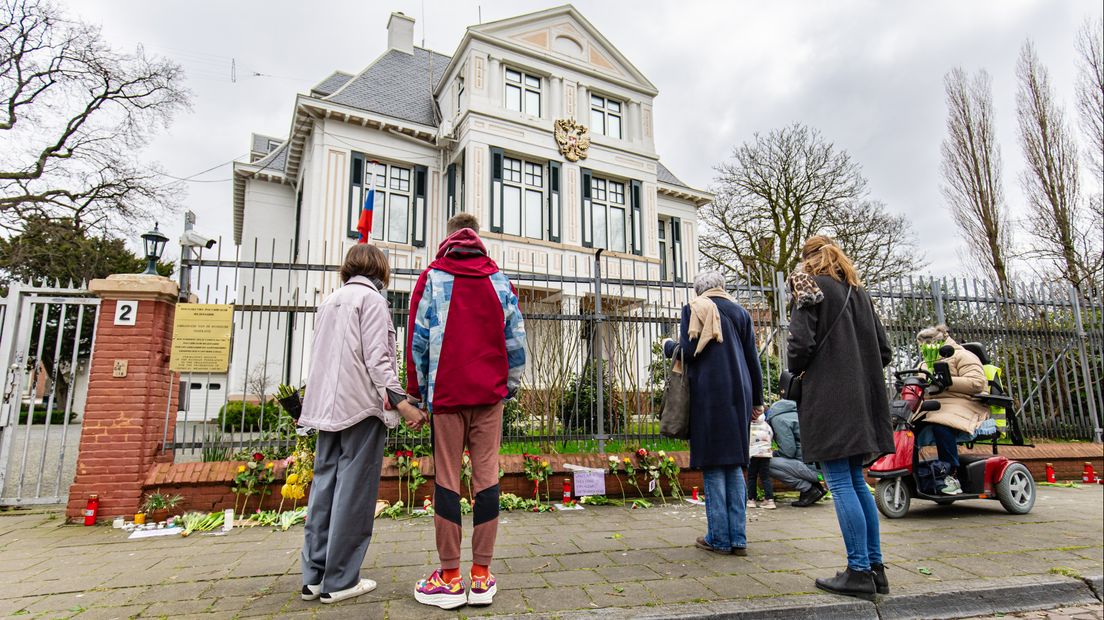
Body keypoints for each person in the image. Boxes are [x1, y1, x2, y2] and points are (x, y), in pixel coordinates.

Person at [407, 213, 527, 610]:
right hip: (488, 397)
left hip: (446, 396)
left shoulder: (431, 278)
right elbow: (516, 341)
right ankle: (481, 576)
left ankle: (449, 576)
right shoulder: (499, 281)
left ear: (448, 239)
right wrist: (507, 388)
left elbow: (417, 341)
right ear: (479, 239)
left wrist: (418, 393)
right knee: (486, 478)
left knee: (446, 479)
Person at [298, 244, 428, 604]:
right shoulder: (372, 302)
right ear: (380, 271)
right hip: (360, 408)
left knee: (324, 486)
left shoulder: (331, 300)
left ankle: (314, 577)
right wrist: (403, 404)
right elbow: (379, 360)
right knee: (354, 492)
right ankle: (340, 580)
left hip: (326, 408)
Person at [786, 236, 893, 600]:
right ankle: (875, 569)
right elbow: (885, 350)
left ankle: (858, 571)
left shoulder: (807, 283)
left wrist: (801, 368)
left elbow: (800, 346)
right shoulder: (859, 292)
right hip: (864, 399)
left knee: (841, 482)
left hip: (830, 399)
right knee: (857, 481)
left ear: (808, 259)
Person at [663, 270, 763, 556]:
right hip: (739, 395)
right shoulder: (741, 313)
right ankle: (738, 539)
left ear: (699, 291)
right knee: (734, 464)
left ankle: (718, 538)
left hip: (709, 394)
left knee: (713, 465)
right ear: (721, 287)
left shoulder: (694, 308)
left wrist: (670, 346)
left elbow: (691, 350)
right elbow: (752, 359)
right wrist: (757, 401)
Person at [913, 324, 990, 495]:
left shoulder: (963, 355)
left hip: (963, 403)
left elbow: (978, 383)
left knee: (942, 425)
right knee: (908, 429)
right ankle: (913, 473)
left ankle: (951, 475)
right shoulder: (926, 361)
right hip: (934, 405)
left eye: (928, 343)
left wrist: (947, 381)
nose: (924, 347)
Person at [764, 398, 826, 507]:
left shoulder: (778, 419)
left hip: (819, 474)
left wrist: (771, 453)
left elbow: (789, 451)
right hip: (824, 469)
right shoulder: (795, 411)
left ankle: (809, 489)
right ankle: (817, 487)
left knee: (766, 464)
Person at [747, 415, 775, 509]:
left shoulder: (748, 425)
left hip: (752, 454)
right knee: (765, 477)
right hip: (765, 454)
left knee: (751, 477)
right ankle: (769, 500)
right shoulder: (766, 425)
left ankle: (751, 500)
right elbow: (771, 435)